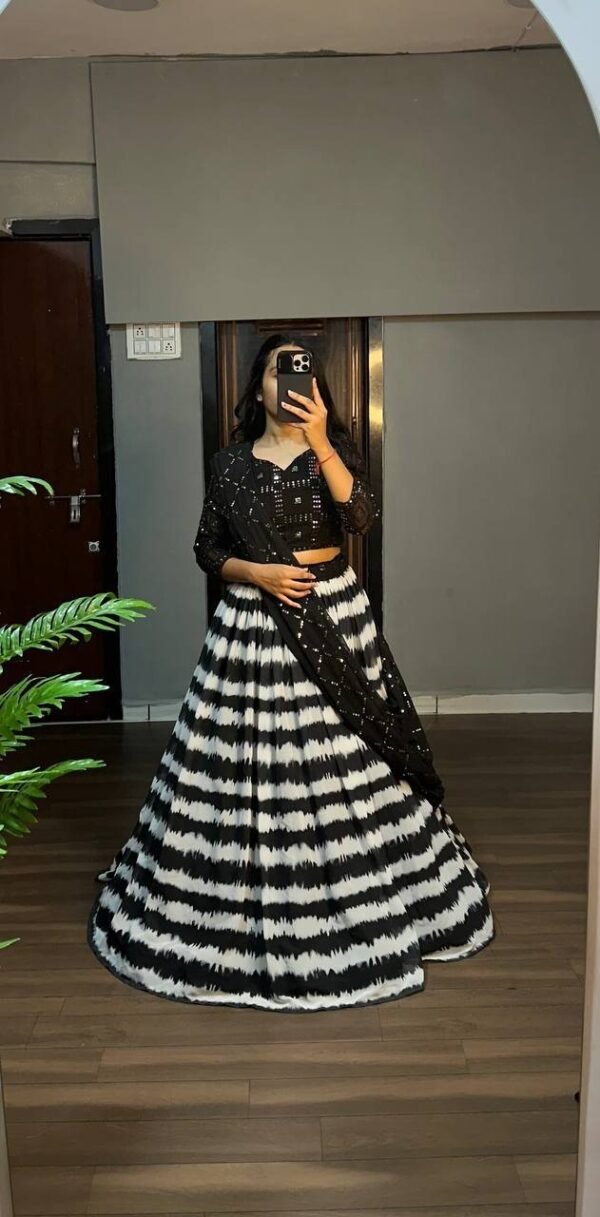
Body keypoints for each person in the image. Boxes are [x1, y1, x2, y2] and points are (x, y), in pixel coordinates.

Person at [87, 332, 494, 1013]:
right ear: (258, 387)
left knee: (346, 756)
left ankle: (368, 888)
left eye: (303, 369)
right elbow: (207, 548)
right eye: (281, 369)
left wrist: (321, 439)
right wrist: (257, 573)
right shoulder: (229, 465)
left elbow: (360, 517)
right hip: (253, 622)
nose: (292, 380)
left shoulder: (332, 453)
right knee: (249, 758)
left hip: (331, 610)